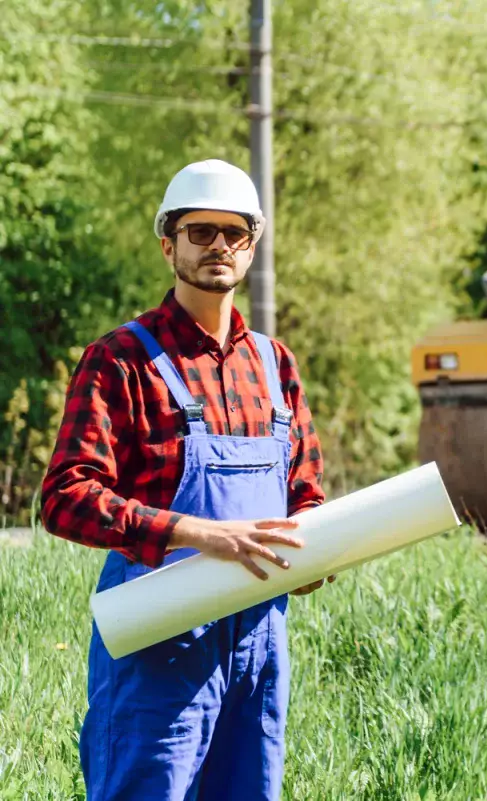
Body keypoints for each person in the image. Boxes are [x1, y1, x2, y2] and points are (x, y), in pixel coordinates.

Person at [40, 158, 330, 800]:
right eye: (200, 232)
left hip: (259, 638)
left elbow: (305, 495)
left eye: (234, 233)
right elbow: (65, 497)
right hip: (160, 634)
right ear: (169, 243)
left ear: (252, 247)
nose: (218, 246)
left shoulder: (275, 363)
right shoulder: (120, 360)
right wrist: (195, 533)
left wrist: (321, 553)